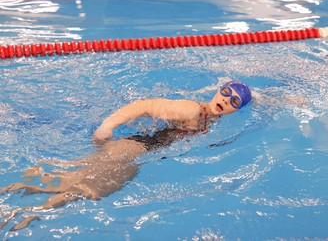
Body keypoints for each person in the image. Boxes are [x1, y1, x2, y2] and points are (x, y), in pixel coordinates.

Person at [0, 80, 252, 231]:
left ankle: (20, 202)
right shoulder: (191, 109)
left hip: (137, 153)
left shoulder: (212, 120)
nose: (227, 100)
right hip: (131, 149)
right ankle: (20, 214)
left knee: (74, 183)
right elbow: (144, 105)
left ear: (238, 109)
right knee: (87, 190)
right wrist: (107, 125)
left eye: (236, 101)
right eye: (226, 93)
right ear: (219, 90)